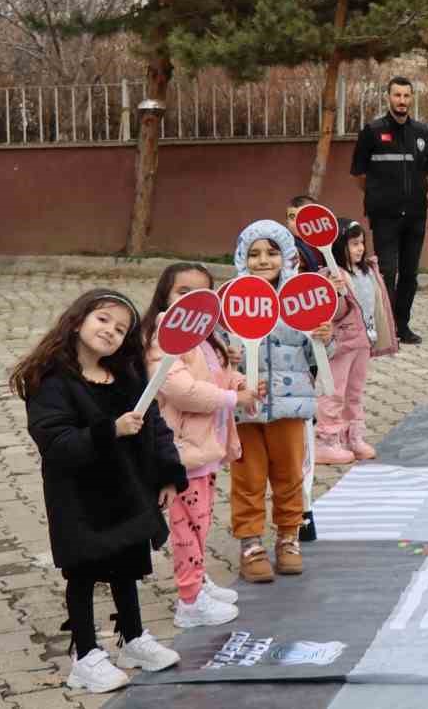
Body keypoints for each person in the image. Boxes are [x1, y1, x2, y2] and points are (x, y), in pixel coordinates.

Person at [9, 289, 186, 694]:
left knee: (126, 562)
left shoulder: (126, 376)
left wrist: (167, 473)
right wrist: (111, 430)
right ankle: (85, 656)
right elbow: (56, 443)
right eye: (103, 320)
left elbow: (155, 424)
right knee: (85, 571)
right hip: (79, 496)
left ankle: (133, 637)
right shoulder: (52, 381)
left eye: (122, 329)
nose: (111, 331)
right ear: (77, 320)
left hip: (126, 489)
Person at [140, 263, 257, 629]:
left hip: (207, 448)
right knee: (186, 527)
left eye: (200, 295)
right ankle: (189, 601)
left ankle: (198, 580)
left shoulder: (206, 337)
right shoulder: (164, 339)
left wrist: (238, 382)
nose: (190, 302)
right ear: (165, 296)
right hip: (182, 454)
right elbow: (183, 391)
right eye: (182, 293)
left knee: (201, 523)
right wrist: (232, 398)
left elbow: (216, 377)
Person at [229, 220, 331, 582]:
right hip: (245, 409)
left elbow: (316, 353)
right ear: (242, 256)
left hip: (291, 405)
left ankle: (289, 537)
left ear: (287, 256)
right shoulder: (232, 298)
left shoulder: (298, 299)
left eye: (271, 253)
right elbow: (218, 347)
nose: (262, 261)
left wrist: (323, 336)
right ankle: (251, 542)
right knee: (248, 477)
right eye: (254, 253)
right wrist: (228, 359)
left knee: (288, 476)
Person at [351, 75, 428, 345]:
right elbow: (360, 175)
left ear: (412, 98)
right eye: (397, 95)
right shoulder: (372, 131)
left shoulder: (421, 132)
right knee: (388, 271)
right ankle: (386, 328)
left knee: (410, 274)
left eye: (406, 96)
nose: (402, 101)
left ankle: (402, 326)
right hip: (384, 216)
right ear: (388, 97)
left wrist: (411, 197)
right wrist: (381, 196)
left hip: (415, 216)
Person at [317, 218, 399, 464]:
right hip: (341, 345)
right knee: (333, 392)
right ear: (338, 247)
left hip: (363, 342)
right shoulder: (331, 276)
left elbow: (376, 305)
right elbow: (332, 311)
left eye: (362, 242)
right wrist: (332, 290)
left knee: (354, 393)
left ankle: (353, 436)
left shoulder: (366, 271)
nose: (360, 248)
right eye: (353, 244)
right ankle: (326, 440)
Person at [285, 195, 324, 274]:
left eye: (303, 216)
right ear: (286, 221)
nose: (297, 222)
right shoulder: (286, 248)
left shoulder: (325, 243)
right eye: (292, 217)